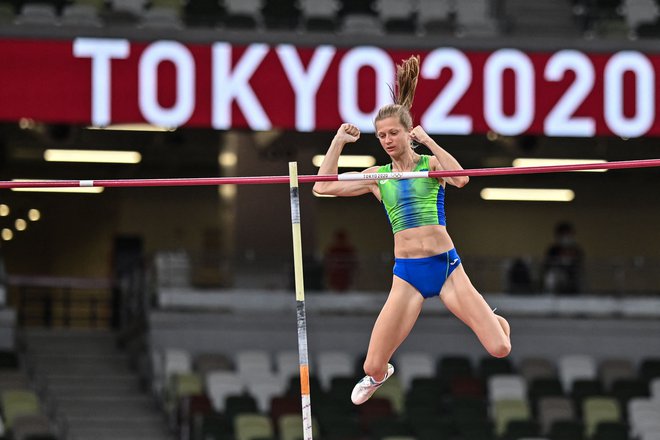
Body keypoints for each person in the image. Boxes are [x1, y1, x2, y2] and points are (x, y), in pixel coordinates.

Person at [313, 55, 511, 405]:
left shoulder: (429, 166)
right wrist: (338, 142)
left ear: (408, 133)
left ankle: (495, 320)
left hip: (446, 268)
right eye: (381, 135)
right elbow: (321, 188)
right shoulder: (378, 177)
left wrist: (431, 142)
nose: (387, 140)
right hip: (407, 275)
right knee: (372, 365)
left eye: (393, 133)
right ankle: (381, 375)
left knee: (499, 347)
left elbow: (462, 179)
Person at [543, 221, 584, 294]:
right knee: (552, 276)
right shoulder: (553, 250)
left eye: (569, 234)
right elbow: (548, 266)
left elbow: (580, 266)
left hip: (573, 282)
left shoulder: (577, 250)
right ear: (558, 236)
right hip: (557, 281)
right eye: (564, 234)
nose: (566, 237)